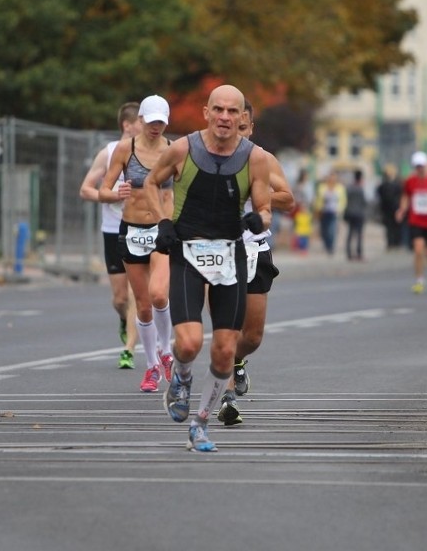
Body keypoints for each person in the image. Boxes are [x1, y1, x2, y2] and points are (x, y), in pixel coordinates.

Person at [143, 84, 272, 452]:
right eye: (219, 110)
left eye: (233, 112)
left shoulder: (255, 158)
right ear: (206, 112)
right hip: (187, 251)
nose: (225, 118)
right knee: (187, 342)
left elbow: (265, 207)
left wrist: (257, 220)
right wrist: (162, 223)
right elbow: (152, 183)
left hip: (231, 255)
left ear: (242, 117)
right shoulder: (183, 148)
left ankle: (200, 424)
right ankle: (181, 379)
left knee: (224, 350)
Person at [216, 99, 295, 427]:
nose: (238, 132)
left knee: (253, 335)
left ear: (249, 126)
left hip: (255, 250)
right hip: (219, 251)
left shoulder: (263, 159)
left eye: (244, 126)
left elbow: (288, 199)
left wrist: (255, 194)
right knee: (227, 327)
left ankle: (237, 362)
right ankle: (227, 398)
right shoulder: (209, 158)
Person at [98, 95, 175, 393]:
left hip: (161, 230)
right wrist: (116, 193)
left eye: (161, 122)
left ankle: (166, 350)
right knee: (142, 306)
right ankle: (152, 366)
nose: (156, 127)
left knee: (158, 295)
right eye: (151, 121)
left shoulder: (174, 150)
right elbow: (103, 189)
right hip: (131, 230)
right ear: (140, 120)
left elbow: (184, 190)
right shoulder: (124, 149)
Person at [78, 102, 141, 369]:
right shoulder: (109, 152)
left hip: (139, 229)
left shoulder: (149, 152)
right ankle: (123, 319)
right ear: (127, 125)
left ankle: (128, 350)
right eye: (140, 120)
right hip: (112, 230)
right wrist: (112, 195)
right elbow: (85, 189)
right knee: (120, 299)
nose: (147, 125)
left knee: (136, 294)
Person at [395, 151, 427, 294]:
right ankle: (419, 280)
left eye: (421, 166)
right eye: (417, 166)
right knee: (418, 250)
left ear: (426, 165)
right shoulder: (410, 182)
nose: (419, 169)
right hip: (416, 220)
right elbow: (406, 196)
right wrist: (402, 210)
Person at [313, 169, 346, 256]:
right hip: (323, 211)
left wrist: (340, 209)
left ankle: (330, 246)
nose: (332, 179)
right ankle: (326, 244)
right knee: (324, 230)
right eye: (330, 178)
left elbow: (343, 200)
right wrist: (317, 209)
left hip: (334, 212)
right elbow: (318, 199)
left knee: (332, 230)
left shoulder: (340, 188)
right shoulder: (322, 187)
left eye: (334, 178)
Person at [376, 164, 403, 250]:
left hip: (388, 209)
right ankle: (394, 243)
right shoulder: (396, 185)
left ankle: (392, 243)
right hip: (392, 208)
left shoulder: (383, 185)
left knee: (390, 227)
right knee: (394, 227)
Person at [343, 169, 367, 261]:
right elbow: (364, 202)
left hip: (350, 212)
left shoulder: (349, 188)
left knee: (350, 233)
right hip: (359, 214)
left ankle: (349, 253)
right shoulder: (360, 188)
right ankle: (359, 253)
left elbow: (346, 199)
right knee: (359, 235)